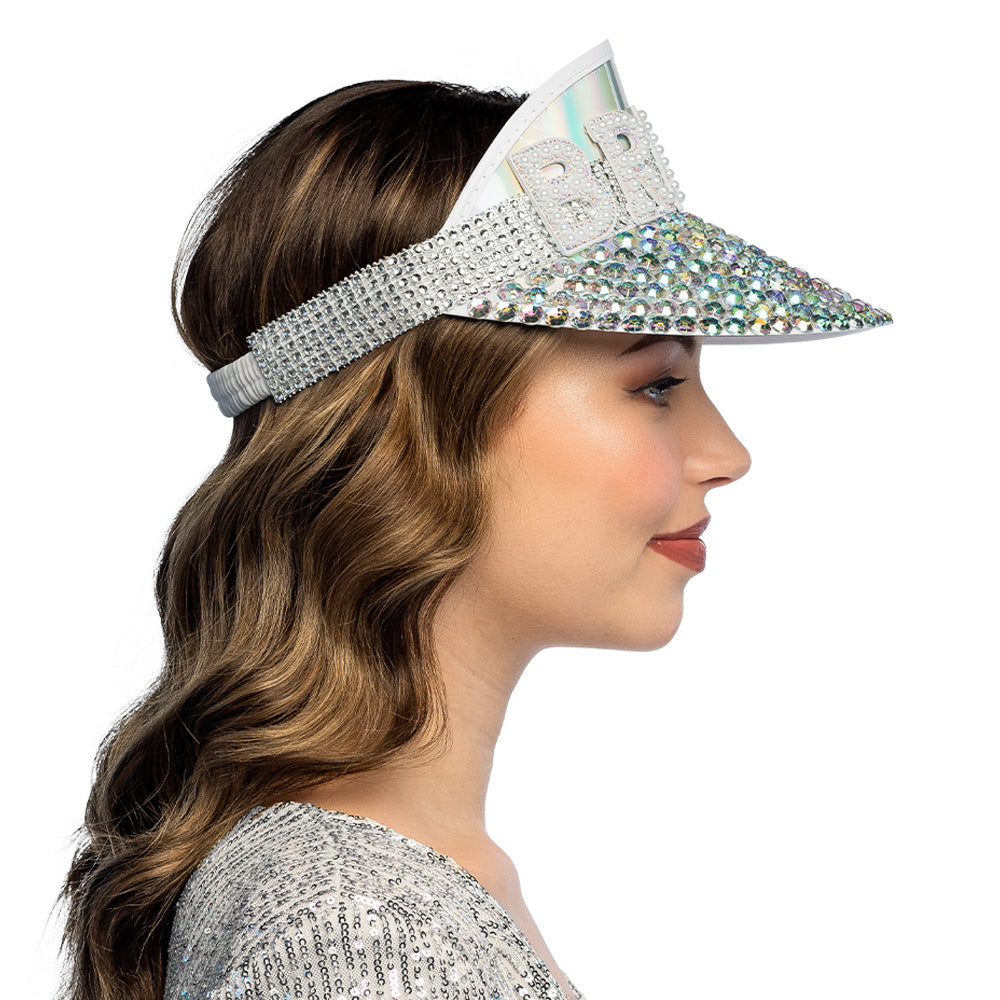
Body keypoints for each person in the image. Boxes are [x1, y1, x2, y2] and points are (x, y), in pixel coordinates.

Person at [56, 41, 891, 1000]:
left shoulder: (384, 895)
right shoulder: (356, 925)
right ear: (412, 426)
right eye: (657, 384)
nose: (728, 453)